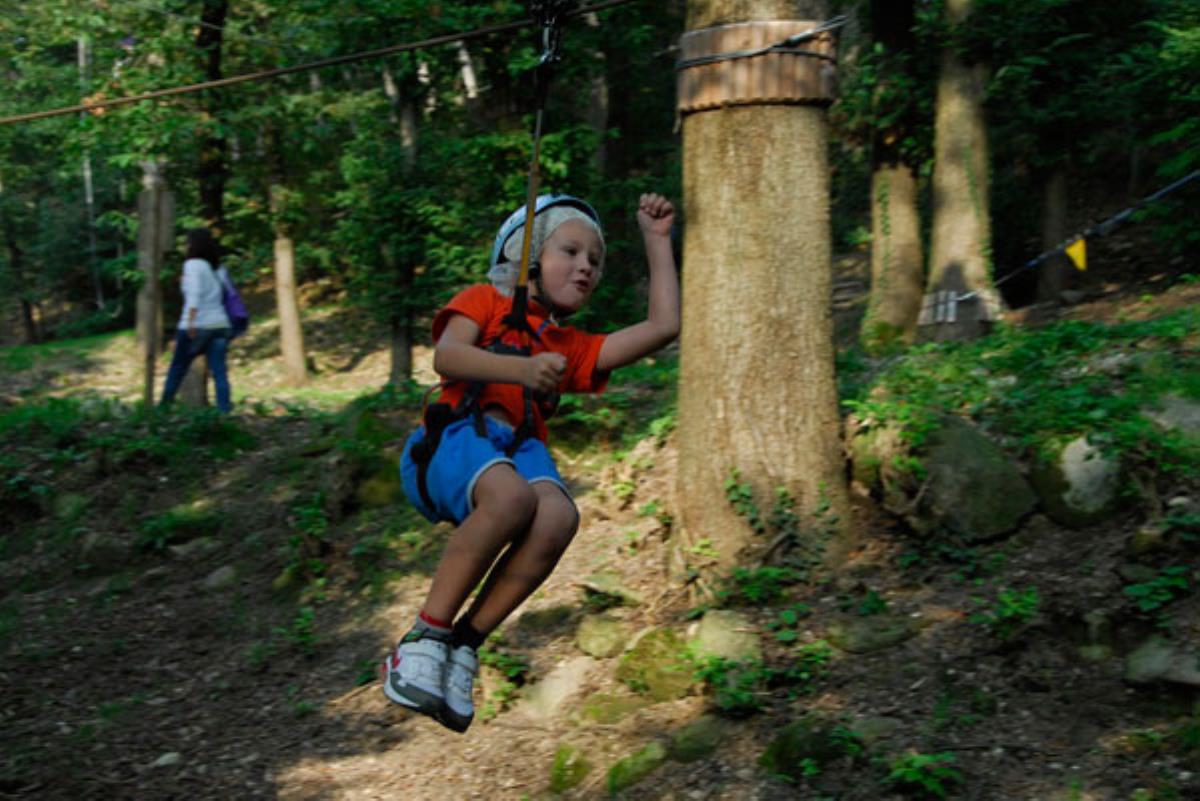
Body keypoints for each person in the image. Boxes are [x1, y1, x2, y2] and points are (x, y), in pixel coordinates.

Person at [382, 192, 679, 732]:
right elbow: (446, 356)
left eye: (596, 259)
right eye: (570, 250)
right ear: (527, 257)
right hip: (453, 438)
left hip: (516, 450)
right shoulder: (484, 302)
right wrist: (519, 370)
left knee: (560, 516)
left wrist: (657, 242)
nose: (586, 265)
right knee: (514, 497)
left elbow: (661, 328)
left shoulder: (570, 346)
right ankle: (425, 636)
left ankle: (464, 647)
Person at [159, 227, 235, 414]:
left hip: (197, 324)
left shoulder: (192, 265)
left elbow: (194, 296)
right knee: (219, 373)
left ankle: (162, 410)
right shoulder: (217, 268)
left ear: (193, 245)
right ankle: (224, 413)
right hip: (220, 324)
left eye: (187, 242)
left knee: (177, 368)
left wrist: (191, 323)